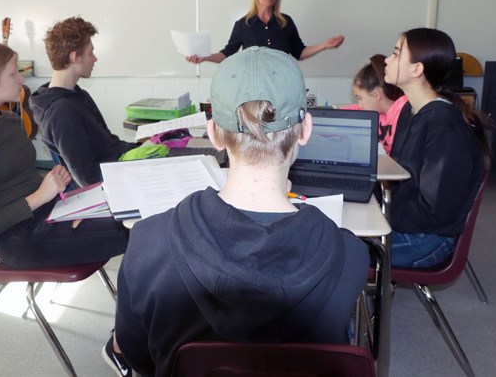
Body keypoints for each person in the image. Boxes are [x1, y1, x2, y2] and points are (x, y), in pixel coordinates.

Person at [110, 47, 369, 377]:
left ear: (214, 133)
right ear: (306, 130)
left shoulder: (147, 243)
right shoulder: (351, 256)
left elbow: (138, 357)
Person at [0, 40, 129, 269]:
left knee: (138, 215)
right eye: (13, 74)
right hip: (20, 238)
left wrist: (63, 196)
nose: (21, 79)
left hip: (51, 213)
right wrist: (41, 196)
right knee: (143, 229)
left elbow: (22, 182)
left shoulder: (9, 121)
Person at [383, 28, 491, 268]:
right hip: (407, 224)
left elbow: (436, 209)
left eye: (396, 53)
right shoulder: (410, 111)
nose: (387, 61)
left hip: (427, 238)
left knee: (337, 251)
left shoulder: (442, 122)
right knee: (335, 236)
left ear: (417, 69)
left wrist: (384, 216)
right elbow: (403, 178)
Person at [30, 16, 140, 187]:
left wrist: (142, 147)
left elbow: (108, 145)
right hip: (114, 182)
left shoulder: (78, 94)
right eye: (91, 53)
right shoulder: (61, 112)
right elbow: (88, 179)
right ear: (76, 57)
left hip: (119, 165)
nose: (94, 59)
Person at [186, 0, 345, 64]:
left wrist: (325, 45)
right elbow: (227, 54)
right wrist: (205, 57)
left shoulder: (286, 22)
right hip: (253, 86)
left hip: (282, 84)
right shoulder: (243, 24)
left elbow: (300, 52)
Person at [339, 54, 408, 154]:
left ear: (376, 95)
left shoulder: (401, 112)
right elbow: (354, 110)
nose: (360, 104)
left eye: (360, 98)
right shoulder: (378, 111)